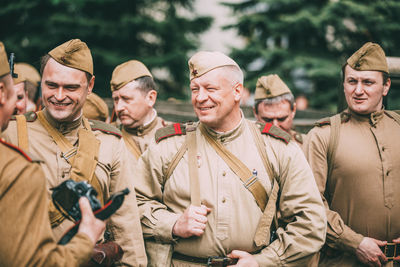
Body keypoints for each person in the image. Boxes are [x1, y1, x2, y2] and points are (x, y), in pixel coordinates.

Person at [135, 51, 326, 266]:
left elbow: (311, 224)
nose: (199, 97)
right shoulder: (167, 146)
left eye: (211, 89)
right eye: (195, 89)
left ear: (237, 92)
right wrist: (172, 224)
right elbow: (133, 205)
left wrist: (263, 261)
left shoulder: (277, 148)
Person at [2, 39, 147, 267]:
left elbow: (125, 224)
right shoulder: (10, 132)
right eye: (51, 85)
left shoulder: (110, 142)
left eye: (71, 88)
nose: (59, 96)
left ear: (90, 86)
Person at [305, 42, 400, 266]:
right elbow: (308, 205)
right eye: (352, 81)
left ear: (386, 86)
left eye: (368, 82)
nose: (358, 90)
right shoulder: (323, 135)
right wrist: (354, 242)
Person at [110, 59, 168, 161]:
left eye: (126, 99)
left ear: (150, 98)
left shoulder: (173, 137)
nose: (118, 108)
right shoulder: (108, 138)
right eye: (116, 100)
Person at [253, 74, 306, 147]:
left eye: (282, 119)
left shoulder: (307, 144)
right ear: (255, 112)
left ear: (293, 110)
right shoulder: (248, 146)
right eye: (267, 120)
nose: (275, 126)